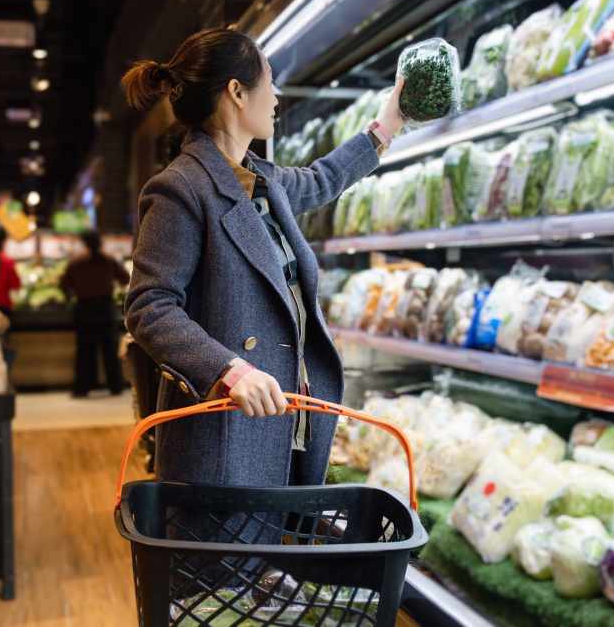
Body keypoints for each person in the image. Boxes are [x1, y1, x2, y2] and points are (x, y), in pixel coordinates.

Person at [121, 28, 405, 496]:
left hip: (282, 423)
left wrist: (388, 125)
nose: (275, 97)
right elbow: (150, 307)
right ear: (237, 92)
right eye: (269, 82)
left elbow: (322, 179)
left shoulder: (261, 180)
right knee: (230, 565)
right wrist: (228, 370)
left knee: (270, 556)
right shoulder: (179, 189)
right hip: (224, 434)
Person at [61, 230, 131, 397]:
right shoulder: (108, 260)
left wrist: (72, 294)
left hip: (84, 308)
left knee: (84, 350)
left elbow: (64, 284)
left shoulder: (76, 262)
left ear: (85, 243)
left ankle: (83, 387)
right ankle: (115, 386)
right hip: (105, 308)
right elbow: (125, 278)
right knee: (109, 349)